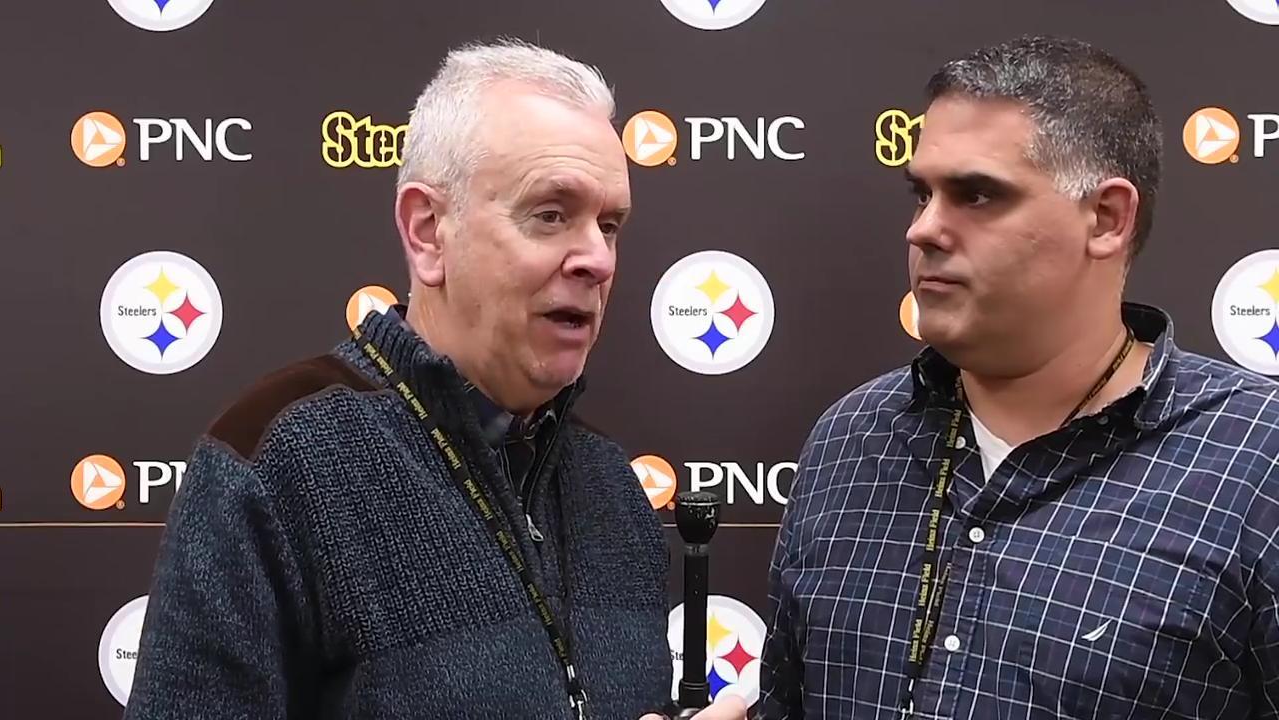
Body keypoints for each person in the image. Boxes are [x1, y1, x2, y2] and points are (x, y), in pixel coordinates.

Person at [122, 38, 745, 720]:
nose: (597, 258)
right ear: (427, 232)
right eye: (550, 214)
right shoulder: (277, 462)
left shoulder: (612, 486)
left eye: (611, 224)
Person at [756, 34, 1279, 719]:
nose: (924, 230)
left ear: (1107, 218)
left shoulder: (1258, 463)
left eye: (976, 196)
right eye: (922, 194)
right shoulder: (851, 438)